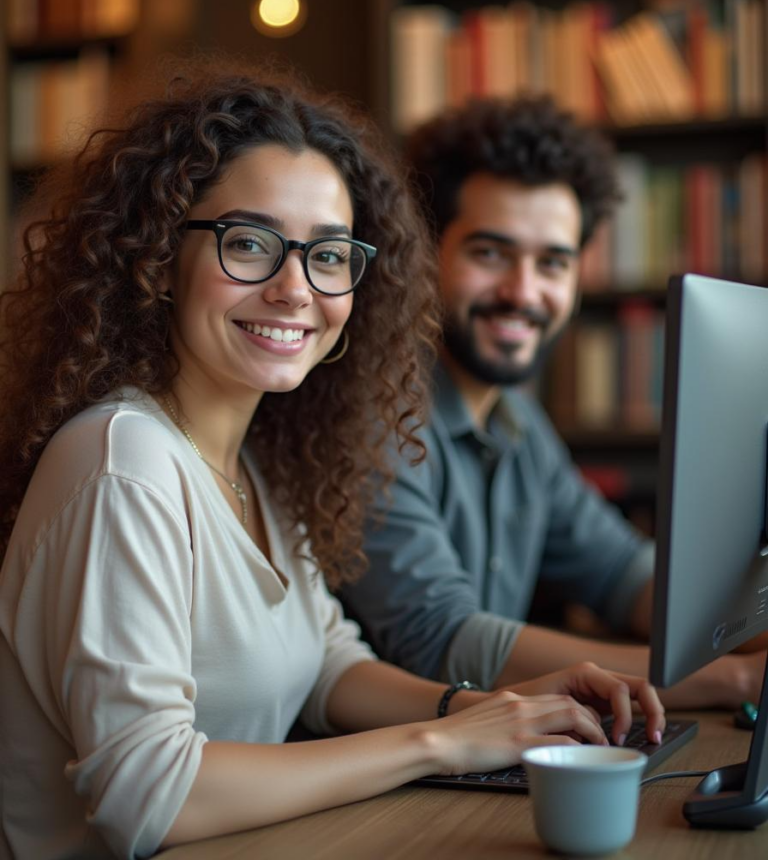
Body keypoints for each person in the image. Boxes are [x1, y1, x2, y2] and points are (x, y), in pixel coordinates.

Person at [0, 64, 665, 860]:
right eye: (248, 242)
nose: (294, 288)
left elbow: (329, 666)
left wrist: (492, 707)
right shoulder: (122, 460)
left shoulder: (257, 459)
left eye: (329, 254)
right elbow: (149, 795)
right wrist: (442, 743)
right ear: (155, 253)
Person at [341, 94, 766, 708]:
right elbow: (440, 639)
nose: (523, 292)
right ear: (426, 254)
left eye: (552, 263)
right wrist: (736, 679)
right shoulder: (375, 412)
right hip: (391, 780)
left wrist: (751, 628)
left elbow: (628, 575)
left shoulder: (517, 420)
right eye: (490, 253)